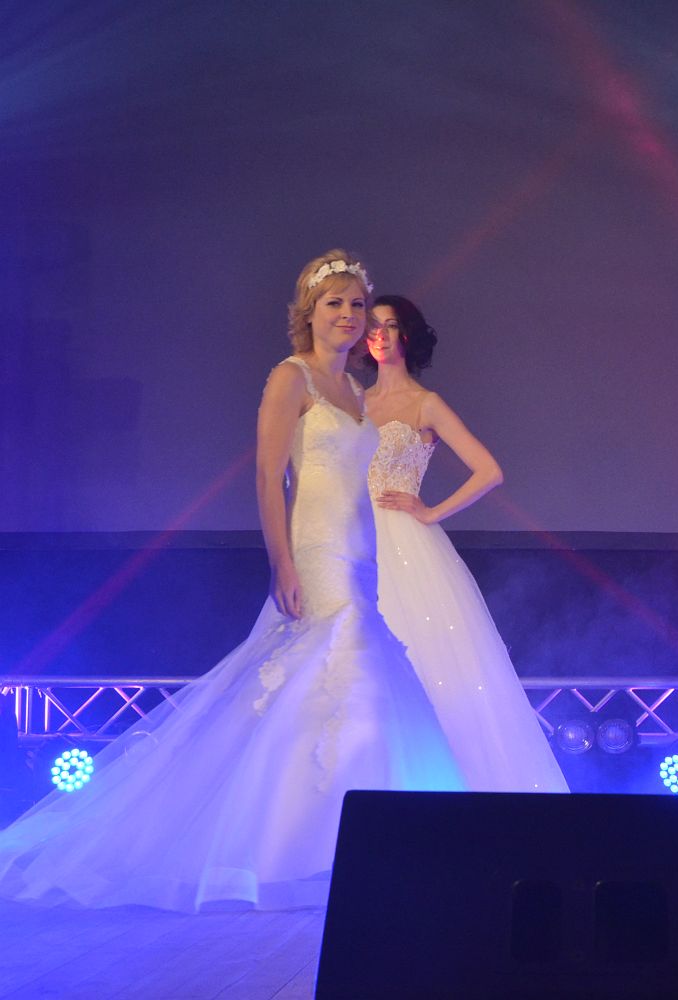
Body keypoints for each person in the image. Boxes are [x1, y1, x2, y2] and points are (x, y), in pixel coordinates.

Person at [0, 251, 465, 911]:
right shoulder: (292, 377)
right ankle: (320, 850)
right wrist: (282, 562)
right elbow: (270, 475)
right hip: (318, 553)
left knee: (342, 686)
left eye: (357, 304)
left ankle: (341, 846)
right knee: (353, 679)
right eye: (334, 303)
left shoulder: (358, 393)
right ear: (309, 313)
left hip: (365, 558)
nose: (348, 314)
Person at [362, 294, 566, 793]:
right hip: (356, 539)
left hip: (405, 545)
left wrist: (429, 511)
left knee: (423, 659)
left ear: (407, 334)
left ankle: (438, 788)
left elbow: (489, 471)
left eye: (390, 325)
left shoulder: (425, 403)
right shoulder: (354, 401)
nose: (379, 334)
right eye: (373, 326)